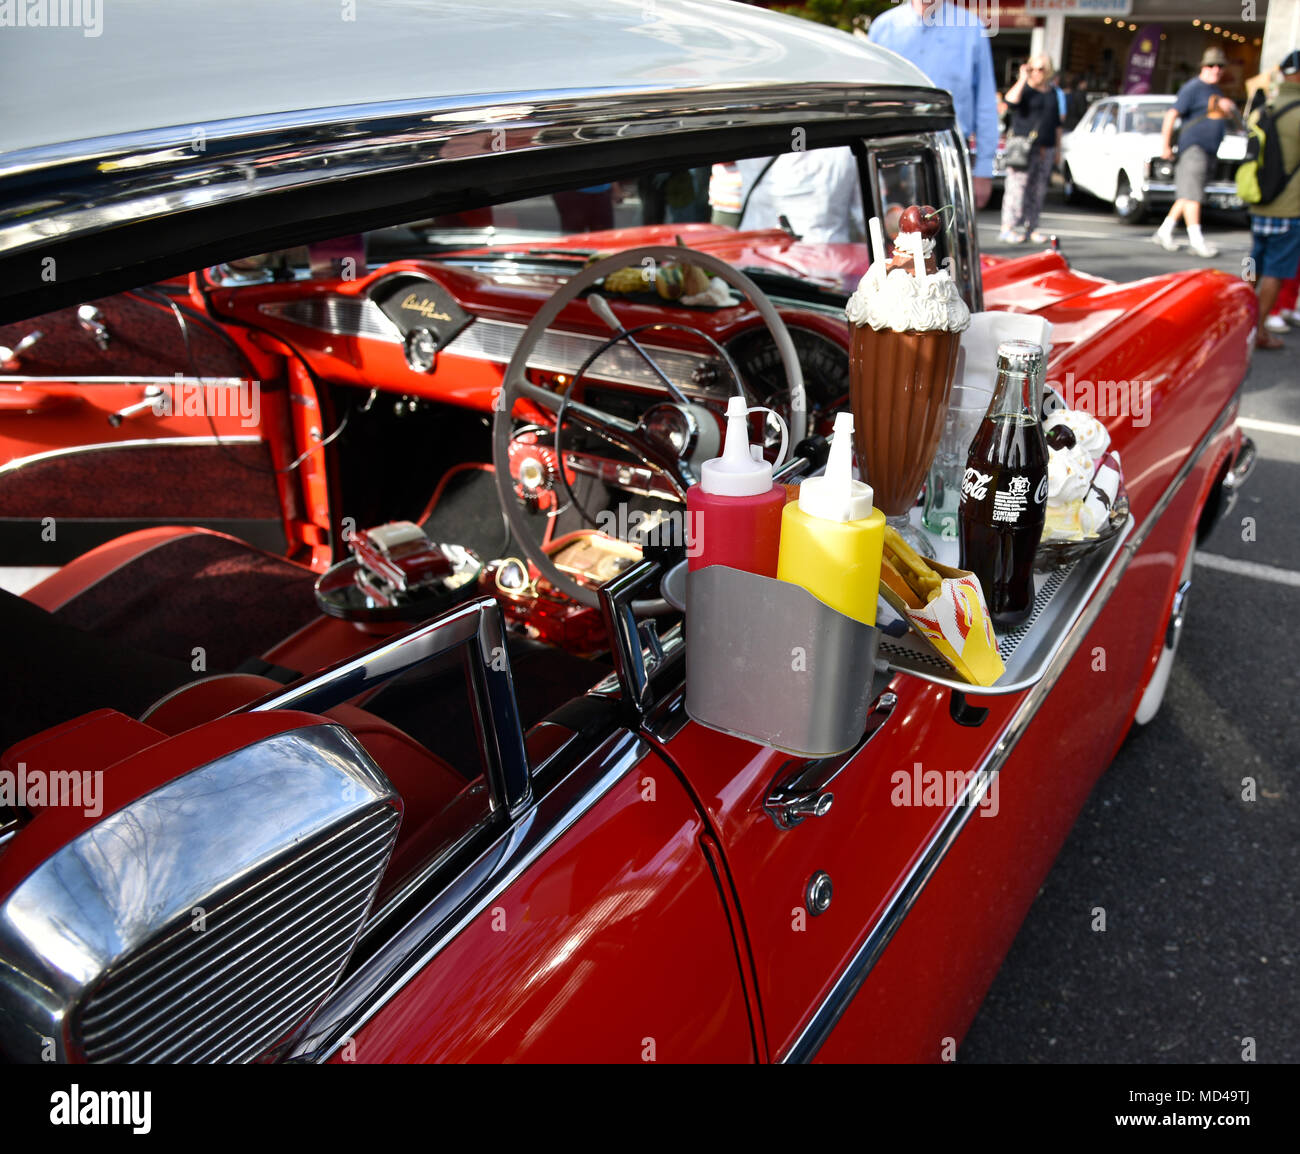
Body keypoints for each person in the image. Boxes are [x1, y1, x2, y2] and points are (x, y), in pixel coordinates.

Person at [867, 0, 999, 210]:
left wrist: (983, 169)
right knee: (892, 238)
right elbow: (870, 97)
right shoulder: (882, 28)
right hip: (889, 154)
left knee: (948, 236)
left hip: (948, 155)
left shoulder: (971, 28)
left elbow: (985, 102)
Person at [1152, 48, 1237, 258]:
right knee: (1193, 196)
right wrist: (1165, 145)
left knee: (1188, 194)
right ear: (1203, 67)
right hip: (1194, 148)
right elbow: (1171, 115)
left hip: (1208, 150)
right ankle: (1196, 240)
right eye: (1211, 65)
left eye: (1220, 65)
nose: (1216, 69)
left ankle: (1164, 231)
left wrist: (1230, 109)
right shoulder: (1193, 88)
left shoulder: (1215, 90)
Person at [1249, 50, 1300, 351]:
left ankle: (1237, 317)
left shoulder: (1265, 106)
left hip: (1260, 200)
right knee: (1275, 272)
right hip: (1290, 205)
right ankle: (1258, 330)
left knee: (1252, 261)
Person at [999, 55, 1061, 244]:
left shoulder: (1052, 93)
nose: (1036, 73)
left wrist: (1058, 148)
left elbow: (1057, 122)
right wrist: (1022, 78)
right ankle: (1007, 227)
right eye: (1033, 68)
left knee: (1038, 189)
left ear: (1048, 71)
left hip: (1045, 147)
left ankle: (1031, 227)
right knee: (1017, 188)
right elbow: (1009, 102)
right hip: (1022, 147)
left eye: (1041, 69)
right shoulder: (1024, 89)